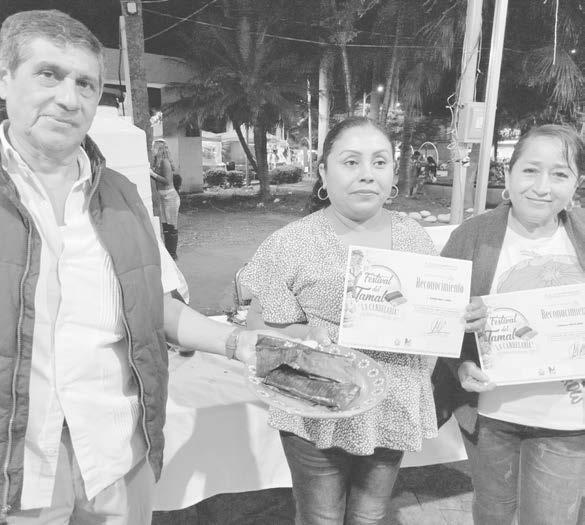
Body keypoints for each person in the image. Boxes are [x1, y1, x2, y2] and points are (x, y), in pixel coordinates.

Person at [0, 10, 271, 524]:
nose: (69, 98)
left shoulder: (121, 195)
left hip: (117, 455)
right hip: (17, 466)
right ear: (5, 79)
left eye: (85, 83)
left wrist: (239, 343)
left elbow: (155, 305)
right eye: (48, 74)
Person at [240, 116, 484, 525]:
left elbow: (434, 316)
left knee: (370, 516)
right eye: (351, 162)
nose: (367, 174)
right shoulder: (289, 243)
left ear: (392, 174)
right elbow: (257, 331)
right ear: (323, 172)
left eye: (380, 162)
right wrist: (307, 335)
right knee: (320, 517)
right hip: (316, 408)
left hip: (391, 405)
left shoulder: (414, 237)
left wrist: (461, 315)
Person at [434, 124, 585, 524]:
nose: (542, 187)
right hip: (491, 416)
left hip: (569, 419)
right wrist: (461, 363)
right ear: (508, 172)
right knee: (492, 514)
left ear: (576, 183)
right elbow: (439, 320)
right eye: (530, 170)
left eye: (560, 174)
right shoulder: (472, 236)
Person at [150, 139, 180, 260]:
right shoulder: (157, 162)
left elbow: (167, 181)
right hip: (163, 198)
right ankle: (169, 254)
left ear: (160, 149)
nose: (152, 149)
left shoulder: (165, 162)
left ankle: (173, 255)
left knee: (171, 226)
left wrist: (152, 174)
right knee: (165, 226)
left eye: (154, 147)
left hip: (170, 198)